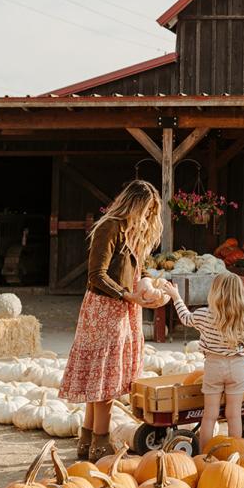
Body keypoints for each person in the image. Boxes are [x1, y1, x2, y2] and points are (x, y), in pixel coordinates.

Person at [59, 179, 165, 461]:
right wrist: (128, 296)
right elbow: (97, 275)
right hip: (105, 310)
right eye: (146, 210)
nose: (147, 217)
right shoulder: (110, 227)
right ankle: (101, 444)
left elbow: (131, 271)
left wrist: (150, 287)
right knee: (104, 380)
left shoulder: (130, 232)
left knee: (103, 380)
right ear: (134, 205)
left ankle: (88, 441)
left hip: (121, 309)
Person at [159, 272, 244, 452]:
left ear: (215, 292)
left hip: (213, 367)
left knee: (209, 415)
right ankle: (237, 452)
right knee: (234, 414)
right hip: (236, 367)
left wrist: (176, 297)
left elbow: (186, 318)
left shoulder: (205, 314)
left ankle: (205, 453)